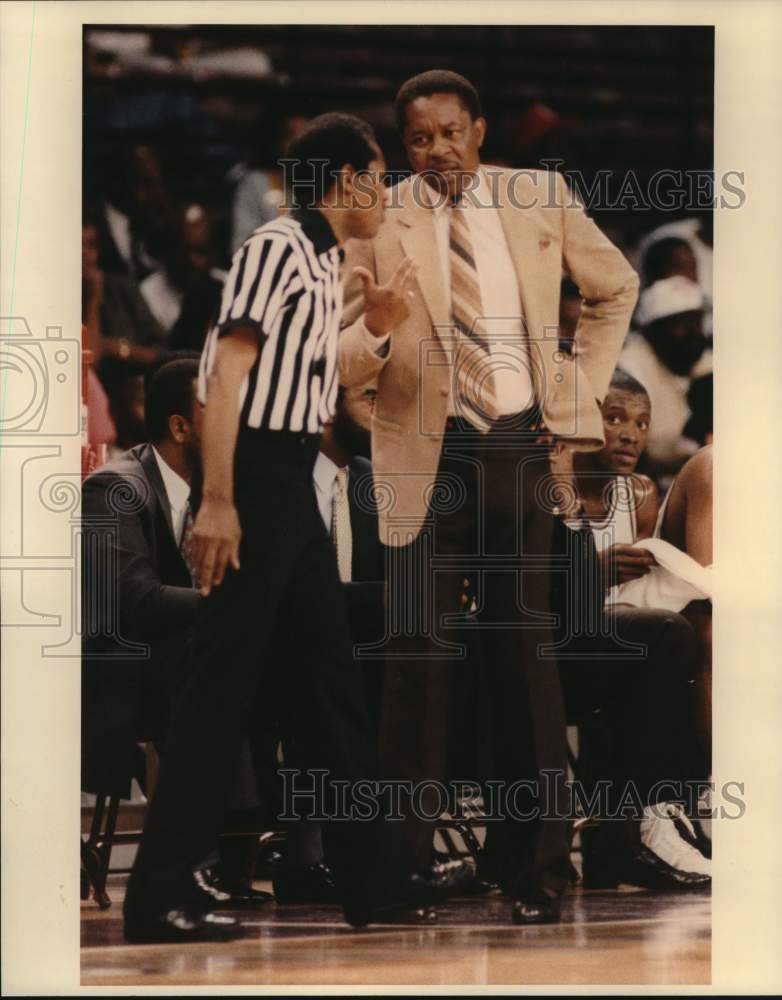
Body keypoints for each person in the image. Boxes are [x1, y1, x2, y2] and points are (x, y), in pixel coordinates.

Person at [339, 69, 639, 925]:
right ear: (404, 147)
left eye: (447, 132)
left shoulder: (539, 194)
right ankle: (400, 875)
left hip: (519, 442)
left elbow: (614, 287)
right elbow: (346, 355)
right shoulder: (378, 216)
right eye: (417, 139)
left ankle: (539, 869)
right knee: (416, 664)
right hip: (424, 456)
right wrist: (379, 326)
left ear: (476, 131)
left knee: (524, 656)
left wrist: (576, 390)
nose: (434, 150)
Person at [123, 112, 415, 943]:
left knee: (329, 685)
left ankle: (373, 883)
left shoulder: (324, 263)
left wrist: (379, 323)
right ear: (349, 180)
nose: (385, 192)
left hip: (286, 480)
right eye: (380, 175)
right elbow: (226, 371)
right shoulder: (276, 246)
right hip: (255, 476)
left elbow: (308, 380)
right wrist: (218, 498)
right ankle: (159, 897)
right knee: (220, 687)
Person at [82, 358, 275, 907]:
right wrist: (233, 610)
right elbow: (135, 601)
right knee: (209, 652)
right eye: (216, 411)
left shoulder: (225, 494)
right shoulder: (112, 489)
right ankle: (204, 861)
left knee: (283, 656)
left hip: (193, 660)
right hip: (130, 674)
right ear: (180, 427)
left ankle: (297, 851)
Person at [550, 370, 710, 888]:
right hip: (546, 643)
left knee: (680, 631)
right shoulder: (551, 484)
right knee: (661, 640)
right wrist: (589, 571)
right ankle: (653, 814)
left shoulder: (639, 494)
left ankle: (636, 829)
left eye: (642, 423)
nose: (629, 434)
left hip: (612, 638)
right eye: (613, 417)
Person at [619, 274, 711, 482]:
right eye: (680, 323)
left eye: (695, 320)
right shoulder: (630, 369)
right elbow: (637, 453)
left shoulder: (705, 360)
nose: (692, 331)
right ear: (652, 330)